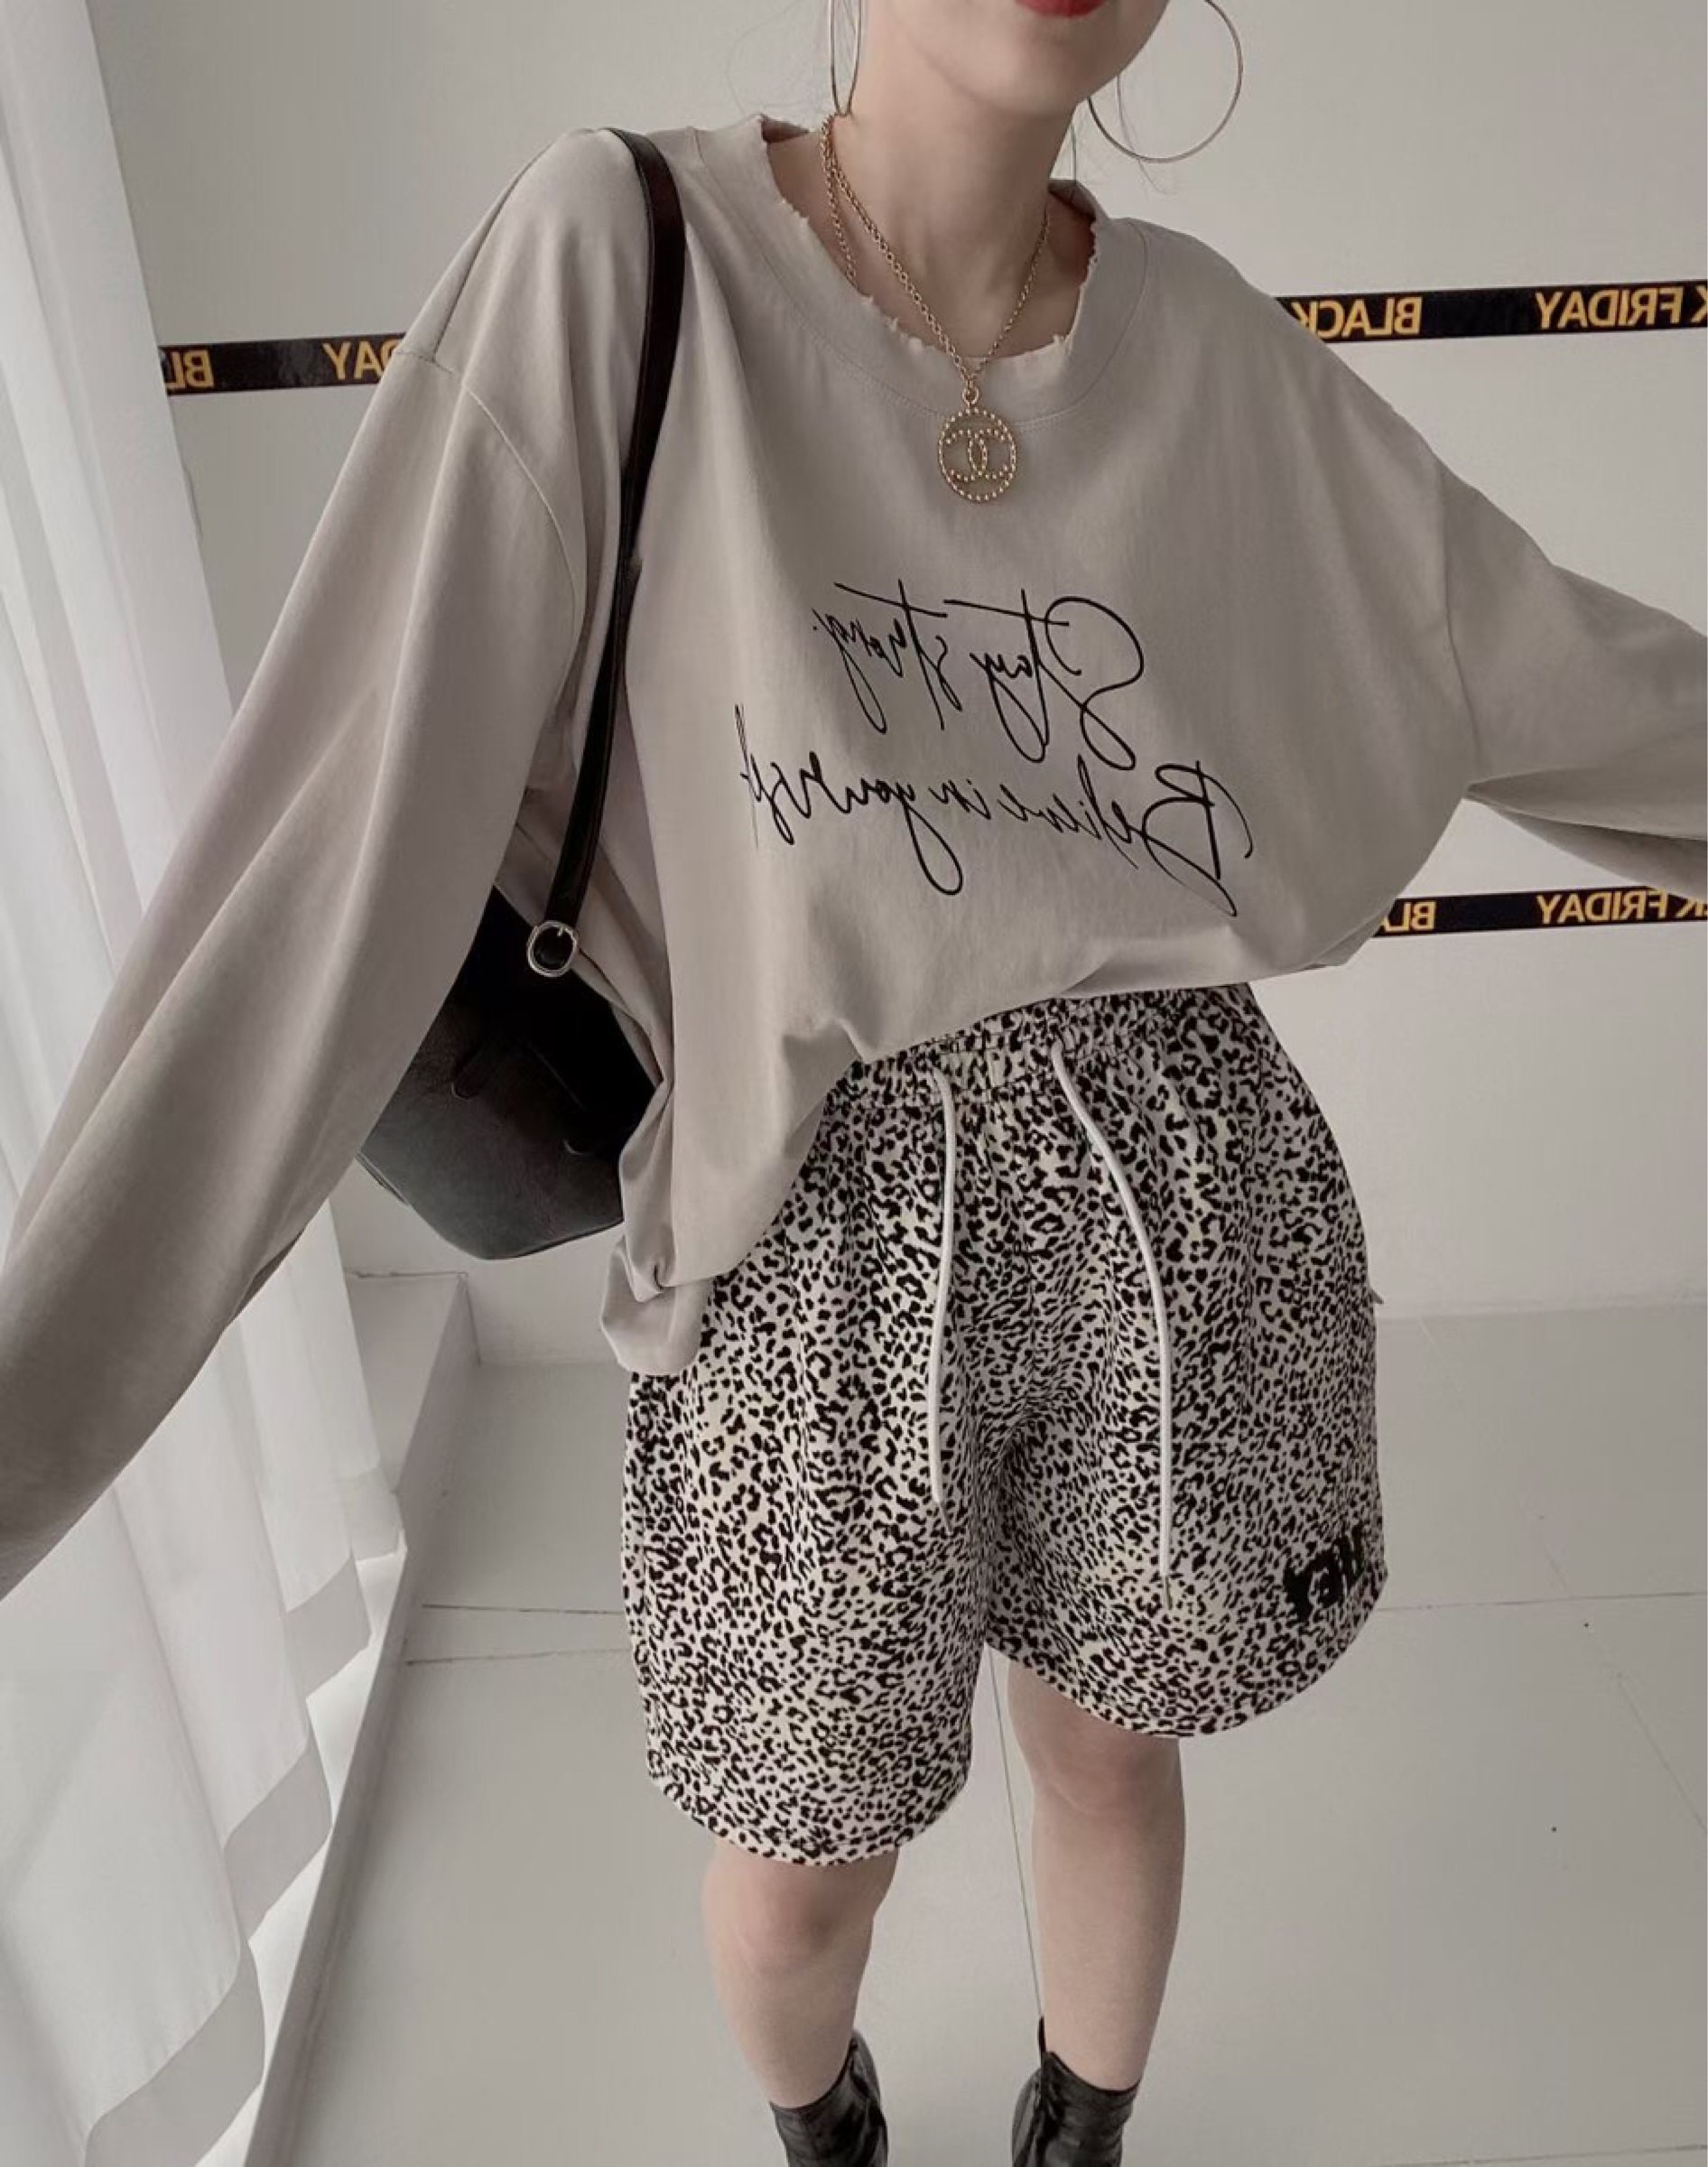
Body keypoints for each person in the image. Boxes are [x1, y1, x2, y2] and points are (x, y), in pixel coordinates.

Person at [3, 2, 1703, 2162]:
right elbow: (320, 866)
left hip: (1181, 1216)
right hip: (802, 1253)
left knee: (1111, 1744)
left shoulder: (1204, 348)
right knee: (804, 1851)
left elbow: (1554, 665)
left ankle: (1082, 2129)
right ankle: (826, 2133)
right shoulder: (619, 255)